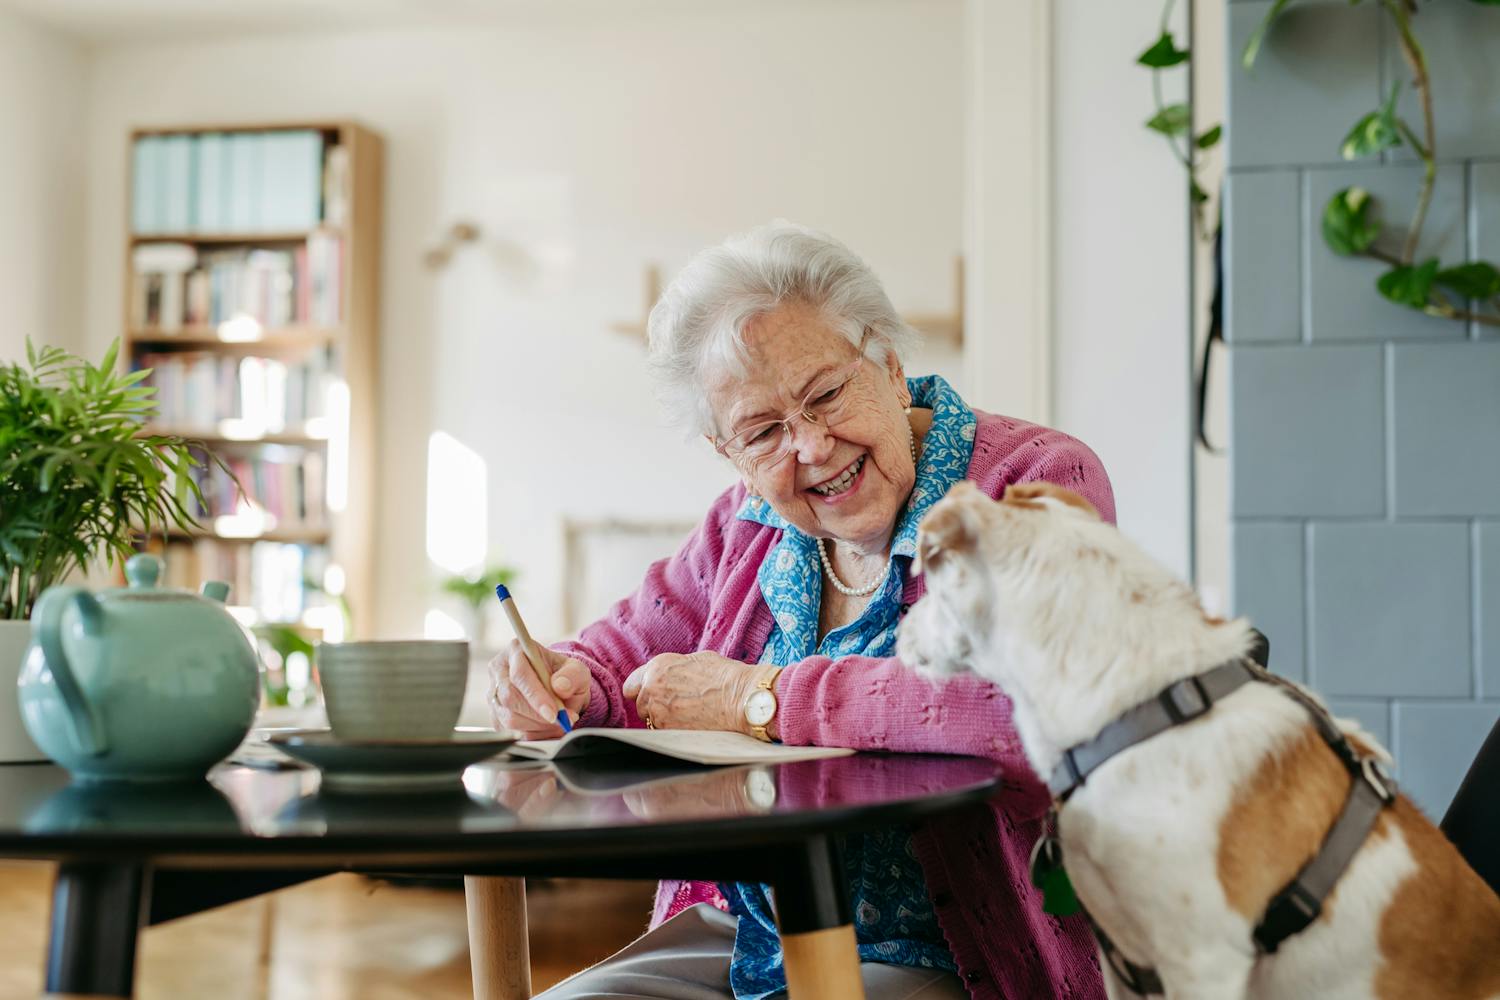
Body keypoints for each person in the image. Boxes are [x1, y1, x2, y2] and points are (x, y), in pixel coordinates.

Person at [489, 222, 1114, 1000]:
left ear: (888, 364)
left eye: (825, 394)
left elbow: (1025, 706)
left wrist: (757, 698)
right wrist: (565, 677)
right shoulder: (744, 523)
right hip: (740, 932)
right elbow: (618, 655)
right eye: (764, 431)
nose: (813, 446)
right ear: (730, 453)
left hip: (951, 950)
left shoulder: (1032, 481)